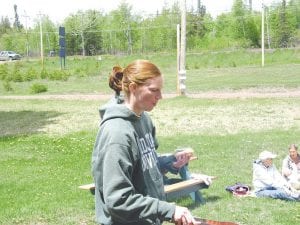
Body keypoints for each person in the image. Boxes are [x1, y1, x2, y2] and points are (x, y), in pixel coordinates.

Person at [91, 60, 198, 225]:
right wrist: (169, 210)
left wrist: (171, 162)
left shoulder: (144, 119)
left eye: (160, 90)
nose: (160, 96)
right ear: (133, 88)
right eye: (154, 90)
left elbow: (146, 165)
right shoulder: (117, 134)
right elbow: (118, 199)